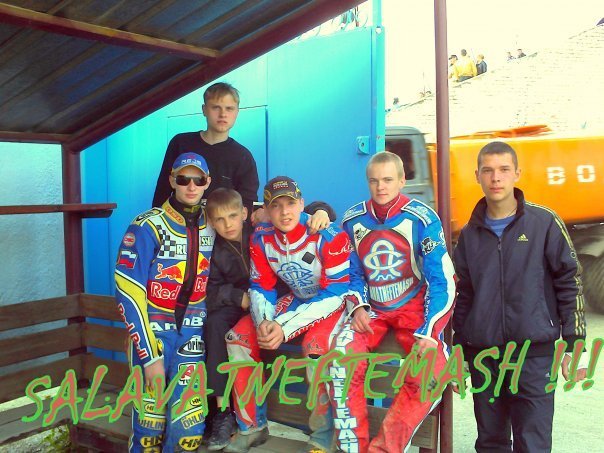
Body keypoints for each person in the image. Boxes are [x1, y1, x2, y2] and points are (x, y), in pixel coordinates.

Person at [453, 141, 587, 452]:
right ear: (477, 176)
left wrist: (573, 343)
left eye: (503, 170)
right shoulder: (470, 234)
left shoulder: (544, 223)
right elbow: (464, 296)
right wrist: (459, 351)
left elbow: (569, 282)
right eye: (488, 170)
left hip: (534, 355)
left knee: (533, 443)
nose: (495, 178)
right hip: (484, 356)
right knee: (491, 442)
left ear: (517, 174)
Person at [330, 151, 456, 453]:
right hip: (371, 311)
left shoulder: (422, 218)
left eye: (387, 179)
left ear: (402, 180)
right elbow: (351, 272)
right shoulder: (352, 220)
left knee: (431, 370)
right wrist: (357, 305)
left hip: (414, 310)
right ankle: (352, 448)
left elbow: (442, 279)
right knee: (340, 359)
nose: (380, 187)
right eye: (374, 181)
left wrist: (431, 331)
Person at [224, 176, 356, 453]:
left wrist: (283, 327)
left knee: (316, 349)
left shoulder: (329, 236)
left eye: (291, 203)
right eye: (276, 205)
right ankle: (252, 427)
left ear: (302, 204)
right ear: (266, 210)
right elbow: (261, 285)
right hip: (298, 298)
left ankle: (323, 437)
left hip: (334, 303)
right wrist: (264, 322)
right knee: (239, 338)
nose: (284, 212)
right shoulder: (262, 237)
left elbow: (336, 293)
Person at [202, 188, 335, 451]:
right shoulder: (213, 248)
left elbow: (295, 212)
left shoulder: (261, 228)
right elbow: (207, 288)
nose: (227, 224)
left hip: (283, 301)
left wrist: (322, 211)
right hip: (244, 303)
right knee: (225, 331)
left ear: (244, 213)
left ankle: (323, 435)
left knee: (316, 348)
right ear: (211, 222)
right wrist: (236, 296)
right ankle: (236, 419)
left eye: (232, 216)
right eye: (219, 219)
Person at [115, 152, 215, 452]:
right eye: (183, 179)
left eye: (198, 179)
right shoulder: (148, 225)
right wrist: (149, 357)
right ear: (172, 180)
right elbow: (127, 290)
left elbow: (268, 216)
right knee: (149, 430)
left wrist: (318, 211)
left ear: (207, 182)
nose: (191, 186)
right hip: (154, 335)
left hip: (193, 335)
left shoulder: (216, 219)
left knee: (188, 433)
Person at [152, 82, 259, 216]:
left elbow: (247, 206)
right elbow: (162, 191)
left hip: (221, 227)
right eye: (216, 107)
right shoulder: (180, 143)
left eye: (229, 108)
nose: (223, 114)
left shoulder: (243, 157)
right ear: (204, 109)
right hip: (178, 225)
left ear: (237, 112)